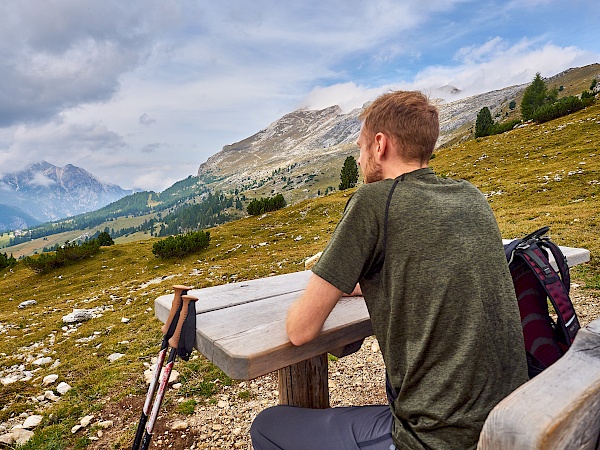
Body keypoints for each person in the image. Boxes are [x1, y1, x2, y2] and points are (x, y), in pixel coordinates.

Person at [250, 91, 528, 450]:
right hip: (509, 421)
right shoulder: (469, 195)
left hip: (437, 438)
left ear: (379, 145)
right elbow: (420, 271)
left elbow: (301, 330)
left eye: (361, 145)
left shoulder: (374, 200)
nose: (360, 156)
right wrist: (352, 283)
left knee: (267, 427)